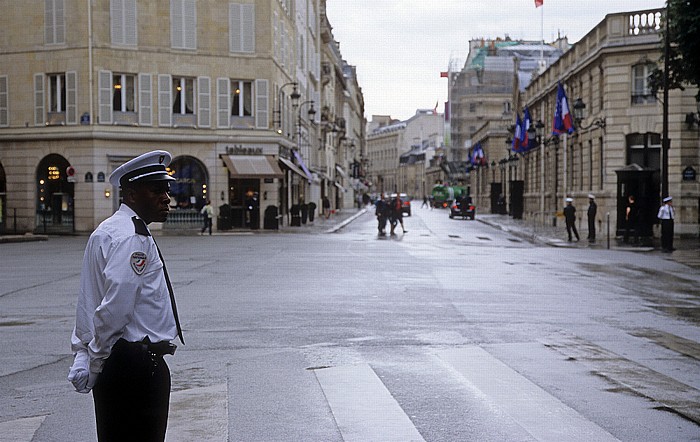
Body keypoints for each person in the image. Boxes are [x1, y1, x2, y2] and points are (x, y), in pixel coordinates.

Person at [68, 150, 185, 442]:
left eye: (167, 189)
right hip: (137, 368)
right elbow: (115, 308)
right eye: (157, 190)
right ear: (131, 194)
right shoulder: (133, 237)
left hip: (120, 365)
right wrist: (94, 360)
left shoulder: (106, 231)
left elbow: (88, 300)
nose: (166, 197)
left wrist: (83, 352)